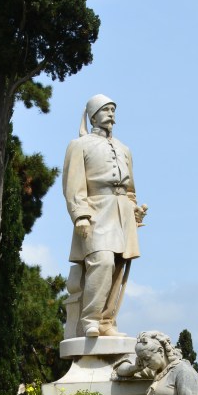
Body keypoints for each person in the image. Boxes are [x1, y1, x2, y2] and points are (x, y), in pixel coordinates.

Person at [62, 95, 147, 338]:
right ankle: (90, 319)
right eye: (105, 109)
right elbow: (73, 184)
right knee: (102, 261)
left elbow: (130, 189)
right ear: (92, 116)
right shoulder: (79, 145)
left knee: (119, 266)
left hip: (122, 213)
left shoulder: (124, 149)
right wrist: (80, 215)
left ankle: (107, 321)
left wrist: (134, 210)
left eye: (112, 109)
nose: (110, 113)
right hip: (97, 210)